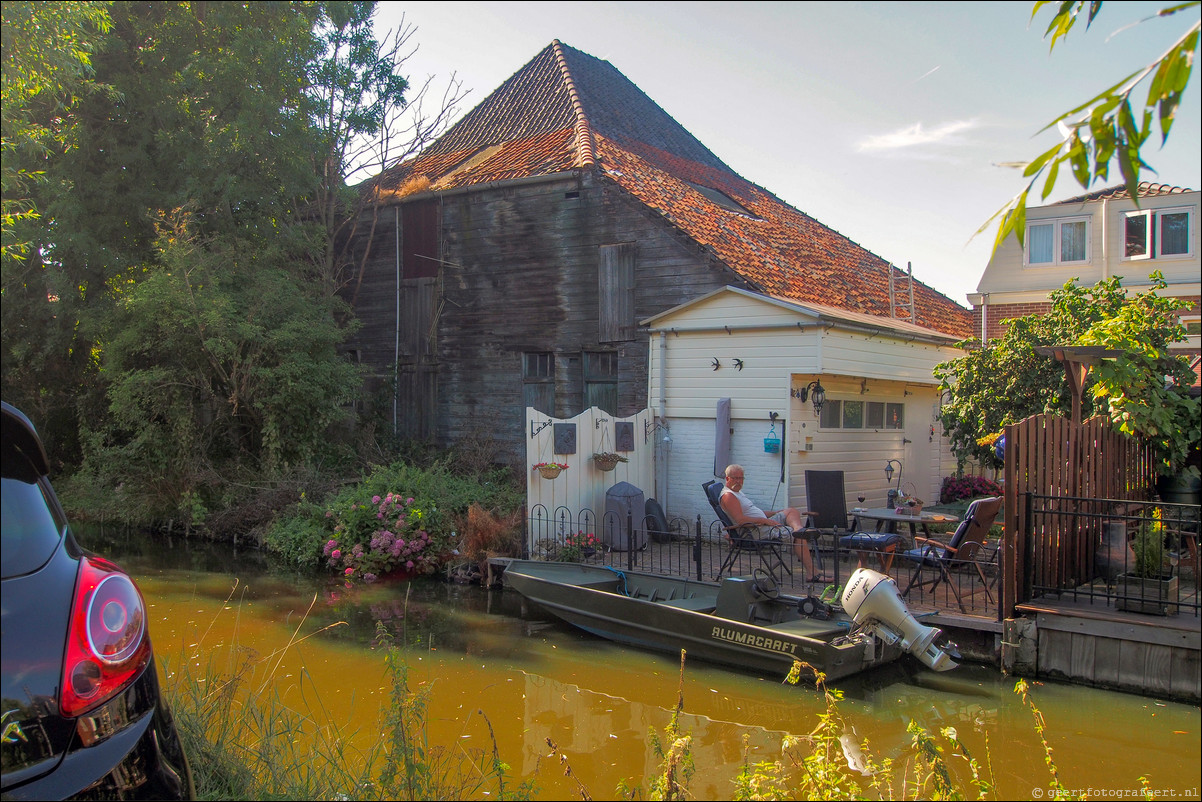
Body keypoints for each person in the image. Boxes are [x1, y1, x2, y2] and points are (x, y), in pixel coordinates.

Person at [719, 463, 819, 581]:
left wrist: (775, 513)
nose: (739, 481)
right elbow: (741, 520)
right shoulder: (728, 496)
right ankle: (812, 573)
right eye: (735, 478)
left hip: (763, 523)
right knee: (796, 536)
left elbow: (753, 512)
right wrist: (764, 520)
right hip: (755, 530)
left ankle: (799, 530)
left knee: (790, 511)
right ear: (727, 479)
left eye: (741, 478)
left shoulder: (737, 492)